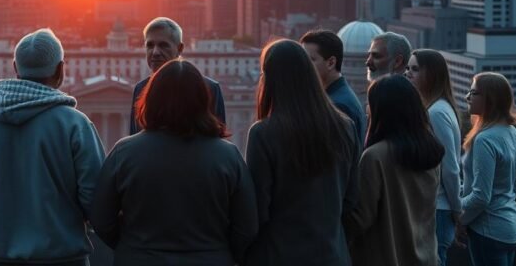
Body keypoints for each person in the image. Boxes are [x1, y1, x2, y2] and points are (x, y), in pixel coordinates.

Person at [0, 29, 104, 266]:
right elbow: (95, 196)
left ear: (16, 68)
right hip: (62, 257)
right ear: (60, 69)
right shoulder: (75, 124)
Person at [90, 60, 258, 266]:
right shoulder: (228, 156)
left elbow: (100, 218)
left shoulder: (124, 153)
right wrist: (220, 251)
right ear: (203, 100)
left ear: (150, 99)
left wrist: (131, 246)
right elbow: (247, 225)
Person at [244, 40, 359, 266]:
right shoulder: (345, 127)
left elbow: (257, 211)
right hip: (332, 255)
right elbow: (351, 200)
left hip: (280, 255)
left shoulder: (263, 133)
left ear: (270, 79)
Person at [345, 75, 443, 266]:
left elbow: (360, 218)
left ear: (382, 110)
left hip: (387, 257)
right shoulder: (431, 150)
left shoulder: (375, 157)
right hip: (426, 255)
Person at [458, 72, 516, 266]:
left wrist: (458, 215)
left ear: (490, 99)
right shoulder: (513, 133)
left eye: (473, 93)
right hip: (512, 227)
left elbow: (480, 197)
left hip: (488, 231)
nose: (467, 97)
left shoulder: (485, 139)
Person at [406, 49, 463, 266]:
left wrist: (458, 211)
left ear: (432, 74)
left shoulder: (436, 113)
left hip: (438, 209)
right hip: (437, 208)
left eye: (415, 69)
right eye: (408, 68)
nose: (408, 73)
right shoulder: (437, 108)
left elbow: (450, 168)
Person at [128, 17, 225, 135]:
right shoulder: (140, 89)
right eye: (150, 45)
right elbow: (135, 136)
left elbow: (217, 140)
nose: (155, 52)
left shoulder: (210, 89)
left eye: (163, 45)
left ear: (180, 49)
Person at [300, 29, 367, 143]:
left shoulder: (338, 106)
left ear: (331, 63)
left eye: (310, 60)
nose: (302, 65)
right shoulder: (337, 96)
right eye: (302, 59)